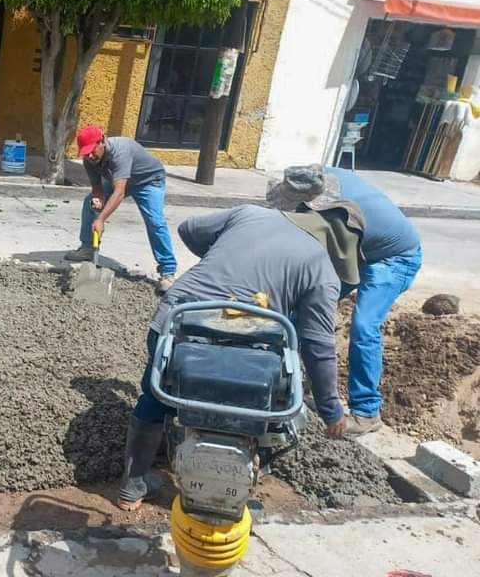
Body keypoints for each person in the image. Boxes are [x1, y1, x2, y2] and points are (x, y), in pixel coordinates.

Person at [115, 202, 365, 510]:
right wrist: (331, 410)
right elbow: (317, 345)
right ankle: (236, 481)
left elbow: (189, 229)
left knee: (157, 394)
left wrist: (223, 258)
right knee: (264, 402)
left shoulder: (250, 213)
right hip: (247, 344)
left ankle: (132, 485)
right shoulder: (323, 270)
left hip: (178, 317)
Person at [267, 164, 422, 437]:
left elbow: (336, 265)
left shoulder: (341, 213)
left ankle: (367, 412)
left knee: (363, 327)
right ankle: (293, 382)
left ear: (312, 201)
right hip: (361, 247)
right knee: (298, 311)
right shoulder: (318, 176)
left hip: (394, 258)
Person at [63, 126, 178, 292]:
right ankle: (88, 248)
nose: (88, 155)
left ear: (102, 141)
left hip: (148, 181)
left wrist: (101, 219)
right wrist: (98, 199)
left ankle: (168, 271)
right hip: (118, 180)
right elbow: (96, 186)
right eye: (85, 152)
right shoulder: (90, 159)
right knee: (89, 202)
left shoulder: (120, 152)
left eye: (92, 150)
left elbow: (119, 191)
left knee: (155, 221)